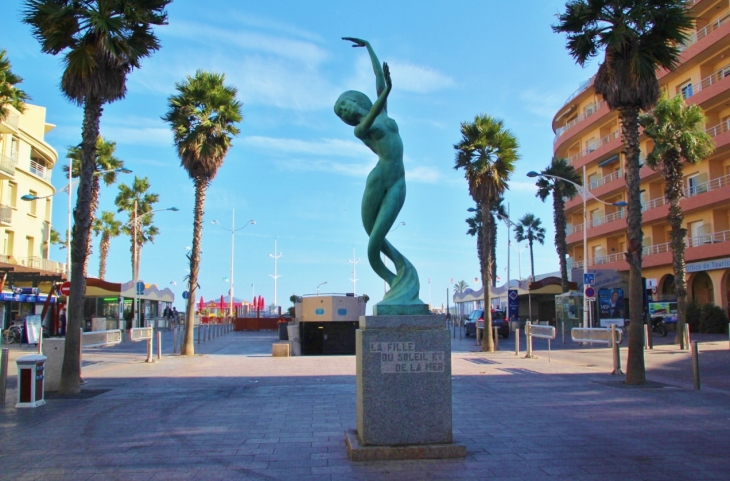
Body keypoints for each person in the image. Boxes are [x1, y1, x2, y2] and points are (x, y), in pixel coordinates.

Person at [334, 37, 424, 309]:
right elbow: (377, 104)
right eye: (341, 112)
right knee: (372, 241)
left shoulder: (382, 110)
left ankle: (401, 282)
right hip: (378, 180)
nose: (345, 110)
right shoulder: (361, 128)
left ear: (352, 99)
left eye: (344, 104)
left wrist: (369, 47)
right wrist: (387, 92)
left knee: (378, 239)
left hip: (399, 181)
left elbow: (379, 81)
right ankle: (393, 281)